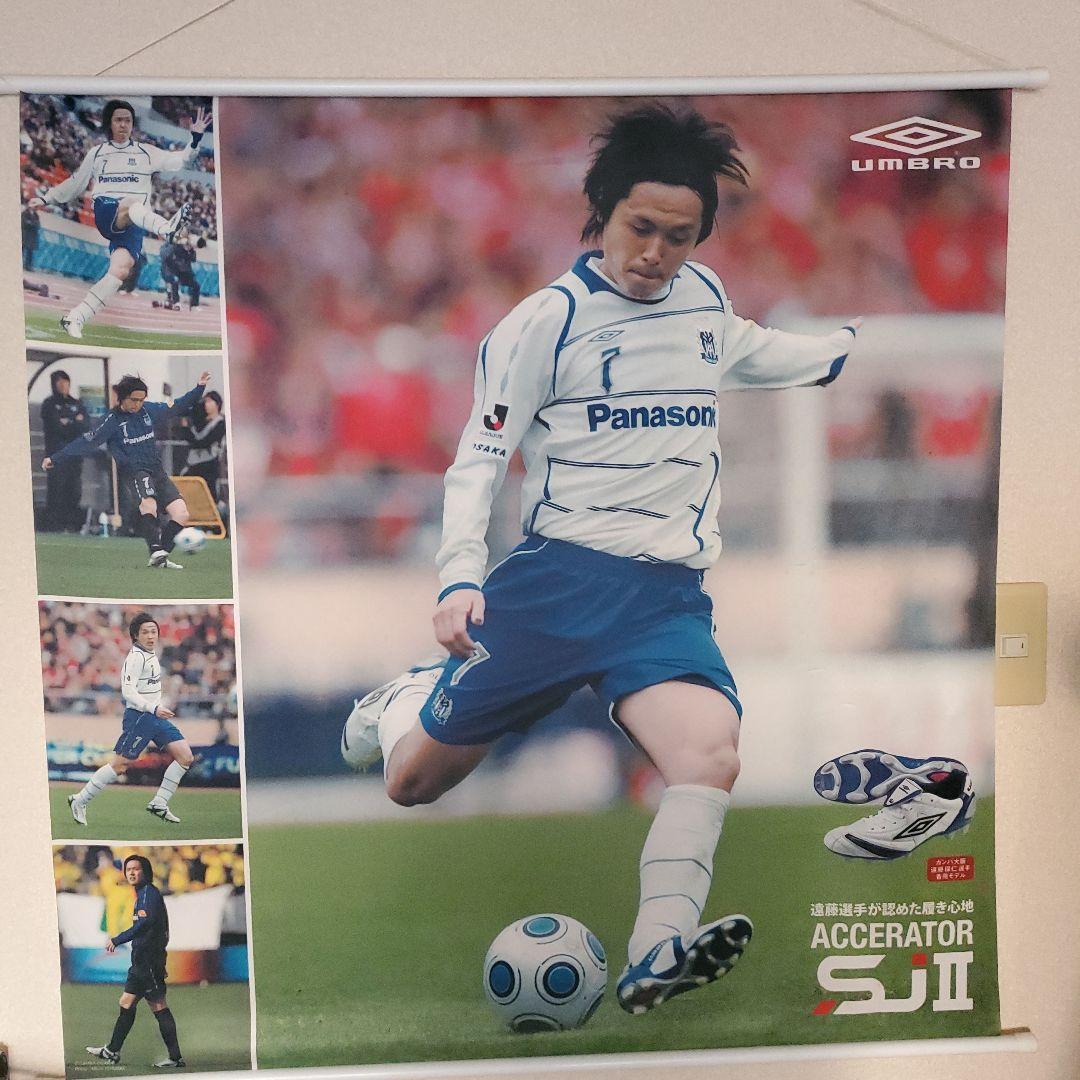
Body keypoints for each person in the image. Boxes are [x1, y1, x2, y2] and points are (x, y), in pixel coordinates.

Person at [341, 104, 860, 1014]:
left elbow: (748, 349)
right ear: (604, 212)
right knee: (411, 783)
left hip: (664, 600)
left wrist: (839, 351)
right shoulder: (545, 322)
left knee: (710, 753)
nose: (656, 253)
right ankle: (401, 703)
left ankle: (658, 951)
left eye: (679, 237)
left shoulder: (703, 302)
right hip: (555, 586)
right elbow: (479, 459)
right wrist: (459, 577)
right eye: (641, 227)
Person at [27, 99, 212, 340]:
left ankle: (76, 317)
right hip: (107, 210)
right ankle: (167, 229)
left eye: (128, 120)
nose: (124, 124)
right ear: (109, 123)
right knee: (131, 203)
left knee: (120, 270)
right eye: (118, 120)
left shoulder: (147, 152)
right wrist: (46, 198)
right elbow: (75, 183)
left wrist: (195, 139)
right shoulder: (97, 153)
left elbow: (181, 160)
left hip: (134, 223)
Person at [43, 371, 212, 569]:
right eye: (134, 400)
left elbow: (179, 405)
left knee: (181, 513)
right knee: (149, 505)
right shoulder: (112, 420)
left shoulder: (149, 410)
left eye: (141, 400)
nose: (138, 404)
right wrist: (56, 458)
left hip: (156, 470)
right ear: (122, 397)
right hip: (135, 471)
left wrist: (200, 387)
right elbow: (86, 441)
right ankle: (155, 549)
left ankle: (161, 556)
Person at [67, 612, 195, 826]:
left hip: (155, 715)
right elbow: (128, 691)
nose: (151, 636)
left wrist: (159, 704)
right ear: (135, 636)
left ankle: (159, 802)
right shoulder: (135, 657)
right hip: (140, 717)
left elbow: (148, 688)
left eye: (153, 631)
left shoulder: (152, 654)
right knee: (119, 766)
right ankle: (79, 800)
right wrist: (153, 707)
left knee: (185, 756)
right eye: (145, 632)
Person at [86, 854, 186, 1068]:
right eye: (128, 869)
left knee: (158, 1006)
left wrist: (118, 939)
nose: (131, 872)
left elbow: (144, 924)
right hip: (140, 961)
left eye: (136, 869)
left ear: (145, 872)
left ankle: (175, 1058)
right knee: (126, 1002)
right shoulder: (142, 893)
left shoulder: (149, 893)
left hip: (148, 962)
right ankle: (112, 1051)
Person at [40, 369, 89, 532]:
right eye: (59, 382)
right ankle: (54, 525)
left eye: (65, 382)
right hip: (56, 455)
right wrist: (75, 422)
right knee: (57, 489)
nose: (62, 385)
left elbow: (86, 425)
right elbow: (56, 427)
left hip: (75, 456)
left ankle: (72, 525)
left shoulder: (77, 403)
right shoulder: (49, 404)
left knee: (74, 490)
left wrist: (68, 421)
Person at [180, 390, 226, 504]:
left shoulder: (220, 423)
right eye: (205, 402)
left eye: (209, 401)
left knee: (209, 497)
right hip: (194, 464)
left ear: (217, 404)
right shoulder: (200, 423)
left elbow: (203, 442)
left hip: (209, 465)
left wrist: (188, 431)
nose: (206, 404)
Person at [160, 235, 201, 310]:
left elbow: (193, 259)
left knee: (196, 285)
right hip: (173, 271)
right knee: (175, 281)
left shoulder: (191, 251)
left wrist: (190, 250)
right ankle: (176, 302)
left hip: (183, 273)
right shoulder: (176, 247)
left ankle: (194, 305)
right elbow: (168, 257)